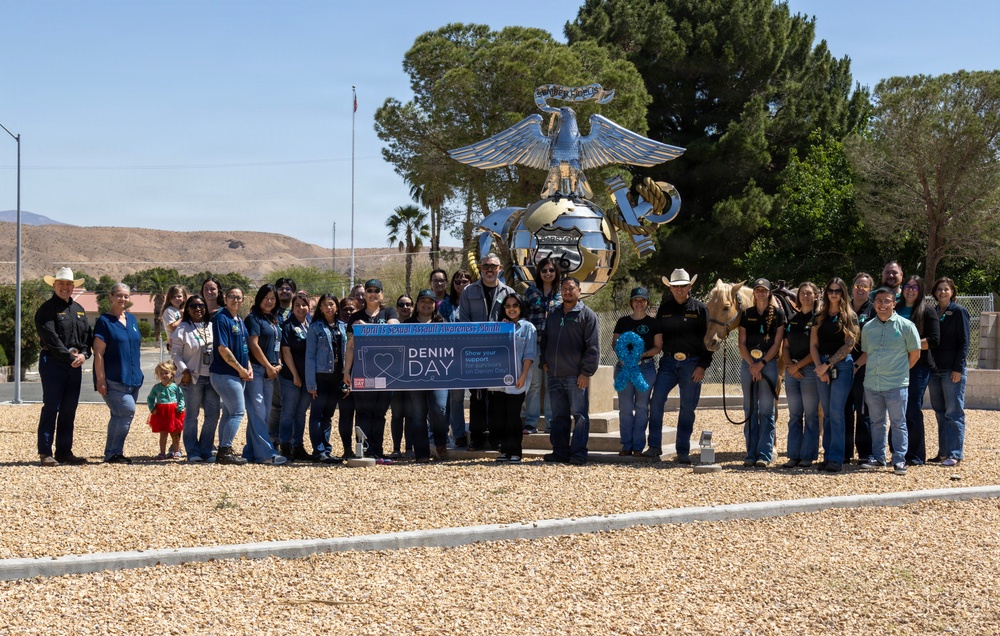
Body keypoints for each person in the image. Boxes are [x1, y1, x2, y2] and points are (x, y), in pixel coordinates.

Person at [646, 268, 712, 463]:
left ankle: (682, 451)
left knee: (687, 407)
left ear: (690, 286)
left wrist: (702, 366)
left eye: (683, 286)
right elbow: (656, 335)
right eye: (675, 287)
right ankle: (654, 447)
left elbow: (708, 340)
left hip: (692, 364)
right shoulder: (664, 309)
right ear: (671, 288)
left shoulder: (701, 309)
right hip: (667, 363)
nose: (679, 289)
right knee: (656, 401)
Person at [857, 287, 921, 475]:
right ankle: (878, 458)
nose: (882, 305)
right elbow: (867, 353)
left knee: (898, 422)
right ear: (874, 303)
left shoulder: (906, 326)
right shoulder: (868, 327)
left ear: (894, 304)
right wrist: (855, 366)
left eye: (887, 301)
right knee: (877, 423)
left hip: (896, 384)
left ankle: (899, 460)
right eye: (878, 301)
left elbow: (915, 354)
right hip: (872, 384)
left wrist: (900, 372)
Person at [35, 267, 92, 466]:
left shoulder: (79, 309)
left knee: (69, 409)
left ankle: (64, 452)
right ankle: (45, 452)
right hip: (53, 363)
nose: (65, 287)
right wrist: (69, 356)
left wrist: (84, 354)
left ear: (73, 286)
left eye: (69, 284)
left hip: (75, 365)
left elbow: (86, 337)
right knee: (52, 406)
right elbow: (50, 338)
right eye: (61, 284)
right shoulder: (46, 310)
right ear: (54, 285)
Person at [540, 277, 599, 465]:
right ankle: (560, 452)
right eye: (564, 288)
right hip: (554, 375)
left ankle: (579, 454)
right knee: (558, 417)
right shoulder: (554, 313)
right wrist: (545, 362)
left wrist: (586, 373)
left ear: (579, 291)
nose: (567, 291)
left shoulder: (587, 315)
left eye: (571, 288)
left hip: (576, 377)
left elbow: (593, 347)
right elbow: (545, 340)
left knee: (580, 417)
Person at [459, 253, 514, 451]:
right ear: (480, 269)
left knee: (498, 397)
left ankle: (497, 437)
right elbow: (463, 319)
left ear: (500, 269)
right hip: (475, 352)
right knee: (477, 397)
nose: (489, 270)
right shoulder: (468, 291)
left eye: (493, 266)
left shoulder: (508, 292)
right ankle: (477, 437)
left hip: (499, 353)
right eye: (485, 267)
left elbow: (514, 317)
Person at [342, 279, 399, 461]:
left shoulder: (389, 311)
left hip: (386, 373)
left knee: (379, 413)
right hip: (362, 371)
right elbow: (350, 346)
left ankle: (378, 449)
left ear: (381, 294)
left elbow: (394, 328)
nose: (373, 294)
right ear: (364, 294)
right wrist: (346, 371)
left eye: (376, 290)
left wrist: (366, 328)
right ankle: (364, 449)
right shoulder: (355, 316)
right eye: (369, 290)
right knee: (364, 412)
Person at [810, 277, 859, 473]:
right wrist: (820, 367)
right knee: (827, 413)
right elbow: (813, 344)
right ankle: (828, 455)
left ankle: (837, 458)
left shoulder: (850, 316)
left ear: (843, 293)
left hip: (842, 366)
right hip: (821, 364)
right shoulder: (819, 316)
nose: (833, 294)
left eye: (837, 291)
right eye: (830, 290)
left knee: (837, 412)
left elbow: (849, 345)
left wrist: (828, 364)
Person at [94, 283, 145, 464]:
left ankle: (114, 453)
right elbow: (98, 352)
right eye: (119, 295)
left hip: (133, 379)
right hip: (114, 378)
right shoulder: (104, 321)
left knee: (119, 415)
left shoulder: (131, 320)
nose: (122, 299)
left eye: (126, 296)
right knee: (126, 411)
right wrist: (100, 380)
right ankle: (113, 452)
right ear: (111, 296)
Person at [738, 278, 785, 468]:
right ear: (754, 293)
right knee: (750, 409)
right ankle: (751, 453)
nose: (760, 293)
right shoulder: (746, 314)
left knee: (767, 410)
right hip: (748, 364)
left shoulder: (778, 315)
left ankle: (764, 454)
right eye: (757, 290)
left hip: (769, 365)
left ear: (769, 293)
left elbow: (777, 343)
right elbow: (741, 343)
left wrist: (762, 364)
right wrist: (752, 364)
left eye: (763, 290)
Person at [241, 284, 287, 465]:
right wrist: (268, 366)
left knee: (264, 414)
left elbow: (278, 345)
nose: (269, 301)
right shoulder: (253, 319)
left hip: (271, 372)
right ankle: (266, 454)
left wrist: (279, 364)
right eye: (266, 297)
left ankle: (250, 452)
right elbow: (253, 345)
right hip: (258, 371)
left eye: (273, 298)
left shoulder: (273, 320)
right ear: (259, 298)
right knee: (258, 411)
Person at [171, 294, 220, 463]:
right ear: (188, 310)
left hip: (212, 377)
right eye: (193, 306)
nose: (198, 309)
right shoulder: (182, 329)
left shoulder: (212, 326)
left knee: (213, 414)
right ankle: (192, 451)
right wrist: (183, 371)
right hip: (192, 378)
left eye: (201, 306)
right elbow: (175, 353)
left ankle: (206, 449)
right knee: (192, 415)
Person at [612, 287, 661, 457]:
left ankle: (638, 446)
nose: (639, 303)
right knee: (625, 408)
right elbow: (615, 343)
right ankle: (626, 445)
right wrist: (625, 357)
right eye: (636, 300)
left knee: (641, 408)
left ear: (647, 302)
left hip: (645, 368)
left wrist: (642, 355)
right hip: (624, 368)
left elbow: (658, 347)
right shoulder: (623, 321)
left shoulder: (654, 323)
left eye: (642, 300)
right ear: (631, 303)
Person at [897, 275, 940, 465]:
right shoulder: (895, 308)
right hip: (895, 366)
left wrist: (909, 346)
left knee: (912, 407)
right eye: (908, 286)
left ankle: (915, 454)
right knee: (898, 408)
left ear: (920, 290)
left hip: (919, 366)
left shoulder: (927, 311)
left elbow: (934, 340)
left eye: (915, 287)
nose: (910, 290)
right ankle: (898, 451)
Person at [405, 289, 452, 462]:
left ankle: (440, 444)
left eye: (430, 302)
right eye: (422, 301)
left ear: (435, 305)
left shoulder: (443, 324)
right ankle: (422, 453)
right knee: (418, 414)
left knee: (440, 409)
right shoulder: (406, 325)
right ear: (417, 304)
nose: (426, 304)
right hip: (414, 376)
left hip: (439, 375)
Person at [490, 293, 536, 463]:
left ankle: (515, 451)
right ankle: (504, 450)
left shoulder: (528, 327)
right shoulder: (498, 326)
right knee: (500, 416)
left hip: (517, 379)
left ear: (520, 307)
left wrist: (523, 376)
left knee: (513, 416)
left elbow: (529, 355)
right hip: (499, 381)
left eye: (515, 305)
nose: (511, 309)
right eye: (508, 306)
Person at [928, 277, 970, 467]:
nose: (942, 292)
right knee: (940, 412)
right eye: (939, 289)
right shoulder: (934, 312)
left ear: (952, 291)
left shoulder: (959, 312)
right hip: (935, 369)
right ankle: (943, 452)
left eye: (946, 289)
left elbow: (964, 342)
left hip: (952, 370)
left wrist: (958, 368)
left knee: (954, 412)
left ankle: (955, 453)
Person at [209, 287, 252, 465]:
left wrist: (247, 366)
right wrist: (240, 369)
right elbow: (222, 348)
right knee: (238, 412)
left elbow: (244, 346)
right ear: (225, 299)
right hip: (224, 373)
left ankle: (223, 450)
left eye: (239, 298)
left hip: (238, 373)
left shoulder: (239, 320)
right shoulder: (221, 318)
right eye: (232, 297)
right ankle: (225, 450)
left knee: (228, 413)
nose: (236, 300)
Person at [781, 282, 818, 468]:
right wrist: (789, 365)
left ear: (816, 296)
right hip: (792, 370)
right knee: (795, 415)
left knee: (811, 415)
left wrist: (799, 366)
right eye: (802, 293)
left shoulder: (819, 319)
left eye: (809, 293)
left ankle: (808, 455)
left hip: (810, 371)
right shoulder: (792, 319)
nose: (805, 296)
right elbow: (785, 346)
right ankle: (794, 454)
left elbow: (816, 350)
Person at [307, 294, 348, 463]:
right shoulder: (315, 327)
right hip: (321, 376)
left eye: (331, 304)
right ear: (321, 309)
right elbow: (310, 356)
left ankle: (327, 450)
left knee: (328, 415)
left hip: (337, 376)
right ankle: (319, 451)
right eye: (325, 305)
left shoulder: (344, 327)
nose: (328, 307)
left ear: (337, 307)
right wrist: (311, 383)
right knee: (317, 414)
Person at [523, 257, 561, 434]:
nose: (548, 273)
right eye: (544, 270)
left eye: (551, 270)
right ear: (539, 272)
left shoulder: (561, 293)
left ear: (556, 273)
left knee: (551, 385)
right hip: (535, 344)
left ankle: (552, 423)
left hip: (554, 347)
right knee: (534, 385)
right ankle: (531, 423)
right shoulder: (531, 292)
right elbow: (523, 315)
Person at [845, 272, 876, 464]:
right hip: (842, 367)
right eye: (858, 285)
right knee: (844, 411)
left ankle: (866, 454)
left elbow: (873, 344)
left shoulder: (873, 310)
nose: (860, 289)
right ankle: (845, 453)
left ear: (870, 290)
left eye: (865, 286)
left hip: (863, 368)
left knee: (864, 413)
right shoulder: (843, 308)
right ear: (852, 287)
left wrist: (857, 365)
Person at [278, 293, 313, 461]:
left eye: (304, 305)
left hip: (309, 378)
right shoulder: (288, 326)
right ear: (293, 308)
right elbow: (286, 351)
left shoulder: (312, 324)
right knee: (288, 412)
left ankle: (297, 445)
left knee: (301, 413)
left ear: (309, 307)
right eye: (297, 305)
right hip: (290, 377)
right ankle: (285, 445)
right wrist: (295, 375)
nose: (301, 308)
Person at [439, 270, 471, 446]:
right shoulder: (445, 305)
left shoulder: (475, 302)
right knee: (456, 397)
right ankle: (458, 434)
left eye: (465, 281)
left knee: (479, 395)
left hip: (472, 354)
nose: (461, 285)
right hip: (451, 355)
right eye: (458, 282)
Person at [268, 277, 298, 447]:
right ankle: (273, 438)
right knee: (275, 405)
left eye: (288, 289)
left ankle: (291, 441)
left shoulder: (298, 311)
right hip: (273, 363)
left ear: (293, 292)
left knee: (291, 406)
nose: (284, 291)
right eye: (281, 288)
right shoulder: (270, 311)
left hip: (293, 363)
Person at [389, 294, 414, 458]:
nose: (405, 307)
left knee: (412, 415)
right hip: (395, 377)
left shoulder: (417, 325)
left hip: (414, 377)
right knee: (397, 414)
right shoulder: (391, 328)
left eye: (408, 304)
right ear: (397, 308)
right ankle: (396, 448)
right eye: (401, 305)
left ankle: (410, 449)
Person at [146, 360, 185, 460]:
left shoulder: (175, 387)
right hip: (161, 412)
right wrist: (152, 408)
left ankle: (176, 451)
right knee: (163, 433)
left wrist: (180, 406)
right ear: (157, 375)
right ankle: (162, 452)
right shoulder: (156, 387)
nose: (164, 375)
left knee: (175, 433)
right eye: (161, 373)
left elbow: (182, 397)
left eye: (166, 373)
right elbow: (150, 398)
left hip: (173, 412)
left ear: (172, 374)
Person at [336, 297, 358, 456]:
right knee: (346, 413)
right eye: (345, 309)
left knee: (362, 414)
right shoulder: (335, 329)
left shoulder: (361, 327)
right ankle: (347, 448)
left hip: (360, 374)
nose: (348, 312)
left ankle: (360, 448)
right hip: (342, 377)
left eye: (352, 309)